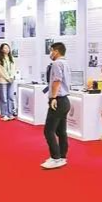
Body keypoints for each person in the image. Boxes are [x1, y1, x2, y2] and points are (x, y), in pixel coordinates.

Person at [41, 42, 71, 170]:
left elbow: (57, 80)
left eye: (51, 51)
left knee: (49, 130)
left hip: (58, 100)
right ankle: (62, 157)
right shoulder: (65, 63)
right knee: (61, 131)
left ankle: (56, 158)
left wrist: (53, 97)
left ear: (56, 51)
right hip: (64, 101)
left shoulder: (56, 63)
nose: (50, 53)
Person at [0, 43, 17, 121]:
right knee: (4, 98)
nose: (7, 49)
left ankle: (10, 113)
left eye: (8, 48)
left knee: (10, 97)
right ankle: (4, 114)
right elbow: (1, 71)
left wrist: (11, 77)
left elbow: (14, 69)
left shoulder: (12, 58)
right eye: (5, 48)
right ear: (2, 50)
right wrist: (8, 78)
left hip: (11, 80)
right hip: (3, 80)